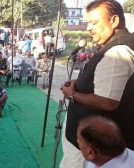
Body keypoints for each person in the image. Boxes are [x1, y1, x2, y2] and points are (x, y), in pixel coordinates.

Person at [60, 1, 134, 167]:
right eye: (87, 23)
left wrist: (72, 94)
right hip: (88, 141)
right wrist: (79, 82)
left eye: (94, 22)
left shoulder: (117, 51)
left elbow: (107, 101)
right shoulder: (115, 44)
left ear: (114, 21)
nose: (88, 28)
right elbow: (108, 82)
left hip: (91, 147)